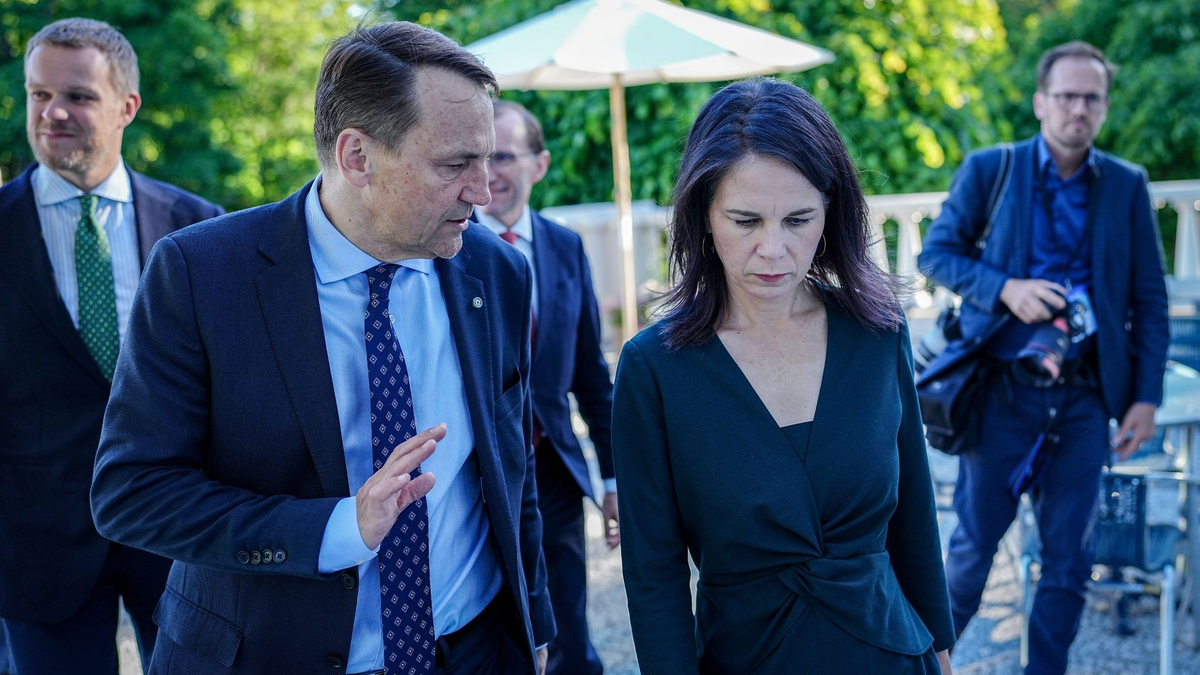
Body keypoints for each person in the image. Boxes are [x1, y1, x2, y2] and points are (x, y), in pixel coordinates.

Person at [91, 21, 554, 675]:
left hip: (474, 651)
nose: (484, 191)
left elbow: (511, 468)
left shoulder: (496, 272)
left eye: (486, 160)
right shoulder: (201, 274)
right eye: (455, 164)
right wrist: (338, 527)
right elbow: (132, 491)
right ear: (356, 156)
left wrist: (532, 621)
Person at [611, 77, 955, 674]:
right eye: (746, 221)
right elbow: (654, 577)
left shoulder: (877, 332)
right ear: (703, 218)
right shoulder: (653, 369)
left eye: (798, 220)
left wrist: (943, 654)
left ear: (831, 213)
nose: (773, 250)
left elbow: (915, 520)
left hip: (892, 657)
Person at [917, 41, 1168, 675]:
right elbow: (936, 255)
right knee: (972, 553)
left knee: (1069, 564)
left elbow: (1150, 300)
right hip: (1001, 390)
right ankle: (923, 665)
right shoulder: (990, 169)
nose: (1077, 109)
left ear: (1105, 107)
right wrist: (1007, 288)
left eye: (1091, 98)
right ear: (1040, 102)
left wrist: (1144, 398)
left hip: (1086, 397)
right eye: (1066, 96)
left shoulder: (1127, 185)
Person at [0, 18, 222, 675]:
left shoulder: (200, 229)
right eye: (39, 95)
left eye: (79, 96)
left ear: (127, 106)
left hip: (178, 533)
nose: (54, 113)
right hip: (37, 546)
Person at [476, 100, 617, 675]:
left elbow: (591, 375)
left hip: (553, 467)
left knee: (570, 634)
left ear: (540, 164)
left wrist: (612, 479)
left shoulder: (565, 248)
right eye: (480, 157)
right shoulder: (446, 251)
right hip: (477, 476)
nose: (489, 172)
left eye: (504, 156)